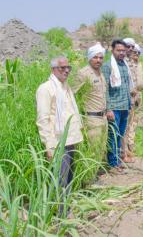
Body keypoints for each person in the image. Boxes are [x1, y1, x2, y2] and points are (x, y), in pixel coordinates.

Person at [36, 56, 83, 214]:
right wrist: (49, 145)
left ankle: (66, 208)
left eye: (68, 67)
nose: (67, 70)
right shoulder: (46, 89)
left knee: (69, 177)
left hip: (71, 139)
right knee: (60, 179)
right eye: (62, 68)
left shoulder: (65, 87)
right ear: (53, 69)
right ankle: (59, 213)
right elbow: (43, 120)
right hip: (57, 142)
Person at [102, 39, 133, 173]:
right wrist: (108, 108)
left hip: (125, 106)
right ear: (112, 50)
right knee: (113, 136)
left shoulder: (124, 65)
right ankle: (113, 164)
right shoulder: (108, 66)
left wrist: (129, 103)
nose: (121, 53)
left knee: (119, 136)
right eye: (118, 50)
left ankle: (117, 161)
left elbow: (127, 86)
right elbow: (105, 89)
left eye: (123, 51)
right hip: (114, 108)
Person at [72, 43, 107, 154]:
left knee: (101, 150)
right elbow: (72, 94)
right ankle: (93, 172)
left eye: (101, 58)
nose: (98, 60)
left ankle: (100, 171)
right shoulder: (83, 73)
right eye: (95, 57)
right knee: (94, 151)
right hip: (91, 118)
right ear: (90, 58)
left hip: (103, 118)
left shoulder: (100, 73)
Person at [122, 43, 143, 162]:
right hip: (130, 97)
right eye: (134, 52)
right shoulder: (128, 65)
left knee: (135, 122)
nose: (136, 54)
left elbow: (140, 81)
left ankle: (131, 145)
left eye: (138, 53)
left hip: (138, 97)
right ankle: (126, 149)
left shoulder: (139, 65)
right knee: (128, 123)